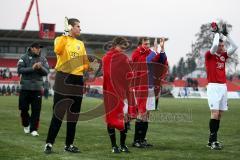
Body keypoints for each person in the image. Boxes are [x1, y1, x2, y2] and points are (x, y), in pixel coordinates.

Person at [44, 18, 89, 154]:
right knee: (58, 114)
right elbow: (58, 50)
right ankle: (49, 144)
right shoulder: (60, 39)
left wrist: (89, 67)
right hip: (63, 78)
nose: (80, 29)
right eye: (78, 26)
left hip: (78, 80)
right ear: (70, 27)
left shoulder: (80, 43)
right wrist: (65, 34)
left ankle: (69, 144)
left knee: (73, 115)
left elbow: (85, 62)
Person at [205, 22, 238, 150]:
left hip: (223, 87)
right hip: (213, 87)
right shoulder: (209, 55)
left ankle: (211, 140)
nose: (224, 47)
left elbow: (235, 46)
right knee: (214, 113)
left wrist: (226, 35)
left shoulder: (223, 56)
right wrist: (217, 34)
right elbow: (213, 45)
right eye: (222, 45)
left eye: (224, 45)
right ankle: (214, 141)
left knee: (219, 115)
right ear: (217, 46)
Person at [131, 37, 168, 148]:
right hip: (141, 86)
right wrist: (155, 51)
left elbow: (162, 60)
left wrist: (162, 49)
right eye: (145, 44)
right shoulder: (136, 54)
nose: (147, 46)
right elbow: (146, 61)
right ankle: (136, 140)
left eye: (148, 44)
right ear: (139, 44)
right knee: (141, 112)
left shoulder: (150, 53)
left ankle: (142, 139)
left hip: (150, 87)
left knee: (147, 114)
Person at [103, 37, 136, 153]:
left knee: (124, 118)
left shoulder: (122, 58)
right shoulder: (107, 58)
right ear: (116, 44)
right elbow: (108, 76)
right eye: (122, 46)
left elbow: (129, 74)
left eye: (125, 47)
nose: (124, 49)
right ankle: (114, 146)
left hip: (122, 93)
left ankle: (122, 145)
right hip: (112, 93)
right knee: (111, 119)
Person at [17, 42, 49, 136]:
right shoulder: (23, 57)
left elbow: (46, 72)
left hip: (37, 89)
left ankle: (34, 129)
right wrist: (33, 68)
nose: (39, 49)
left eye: (39, 48)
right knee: (23, 109)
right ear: (31, 48)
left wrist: (40, 68)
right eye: (37, 48)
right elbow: (20, 70)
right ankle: (26, 124)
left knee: (36, 110)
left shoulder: (43, 59)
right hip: (25, 88)